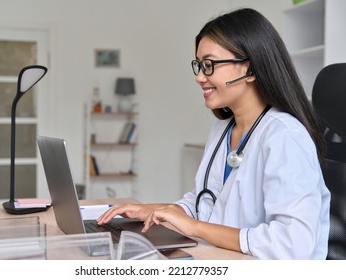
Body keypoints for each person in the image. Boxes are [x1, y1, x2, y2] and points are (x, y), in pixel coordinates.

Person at [97, 8, 331, 260]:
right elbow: (205, 201)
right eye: (198, 65)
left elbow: (292, 245)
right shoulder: (223, 129)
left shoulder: (285, 136)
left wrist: (195, 228)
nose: (199, 77)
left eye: (209, 65)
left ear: (249, 70)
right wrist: (154, 210)